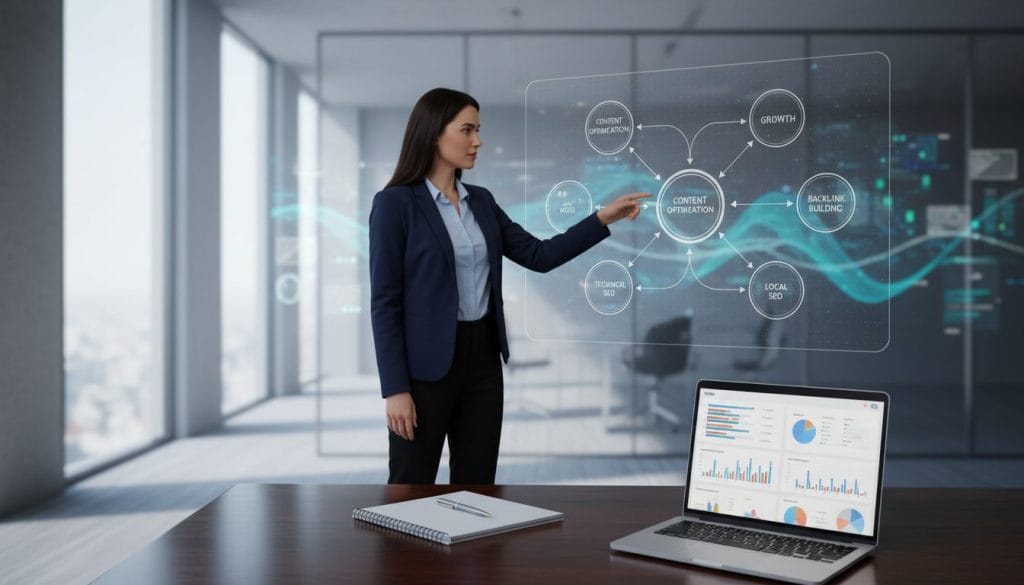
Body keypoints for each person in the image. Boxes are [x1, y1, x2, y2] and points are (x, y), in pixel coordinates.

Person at [369, 87, 649, 484]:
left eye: (478, 130)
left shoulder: (481, 201)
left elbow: (539, 255)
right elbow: (384, 302)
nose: (477, 141)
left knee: (477, 487)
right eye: (467, 130)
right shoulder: (395, 204)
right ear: (434, 133)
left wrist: (602, 219)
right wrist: (394, 389)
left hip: (482, 362)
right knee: (410, 488)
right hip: (424, 372)